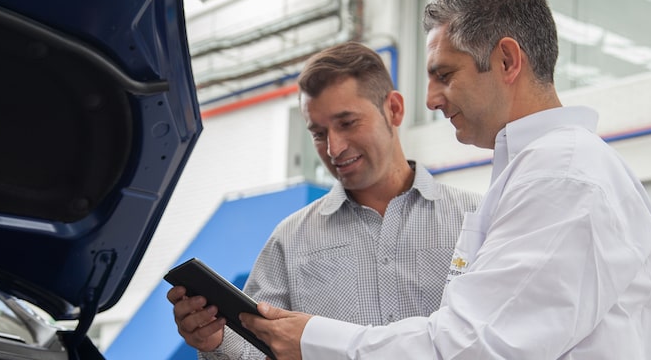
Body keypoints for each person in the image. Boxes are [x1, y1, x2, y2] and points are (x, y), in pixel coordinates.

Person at [241, 0, 651, 359]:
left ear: (507, 61)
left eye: (445, 75)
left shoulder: (563, 178)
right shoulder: (539, 173)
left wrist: (313, 339)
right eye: (319, 132)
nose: (430, 99)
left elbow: (467, 346)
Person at [166, 41, 481, 359]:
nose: (333, 148)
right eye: (318, 133)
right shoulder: (290, 240)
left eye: (347, 123)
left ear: (394, 110)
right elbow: (255, 348)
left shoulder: (477, 218)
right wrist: (215, 341)